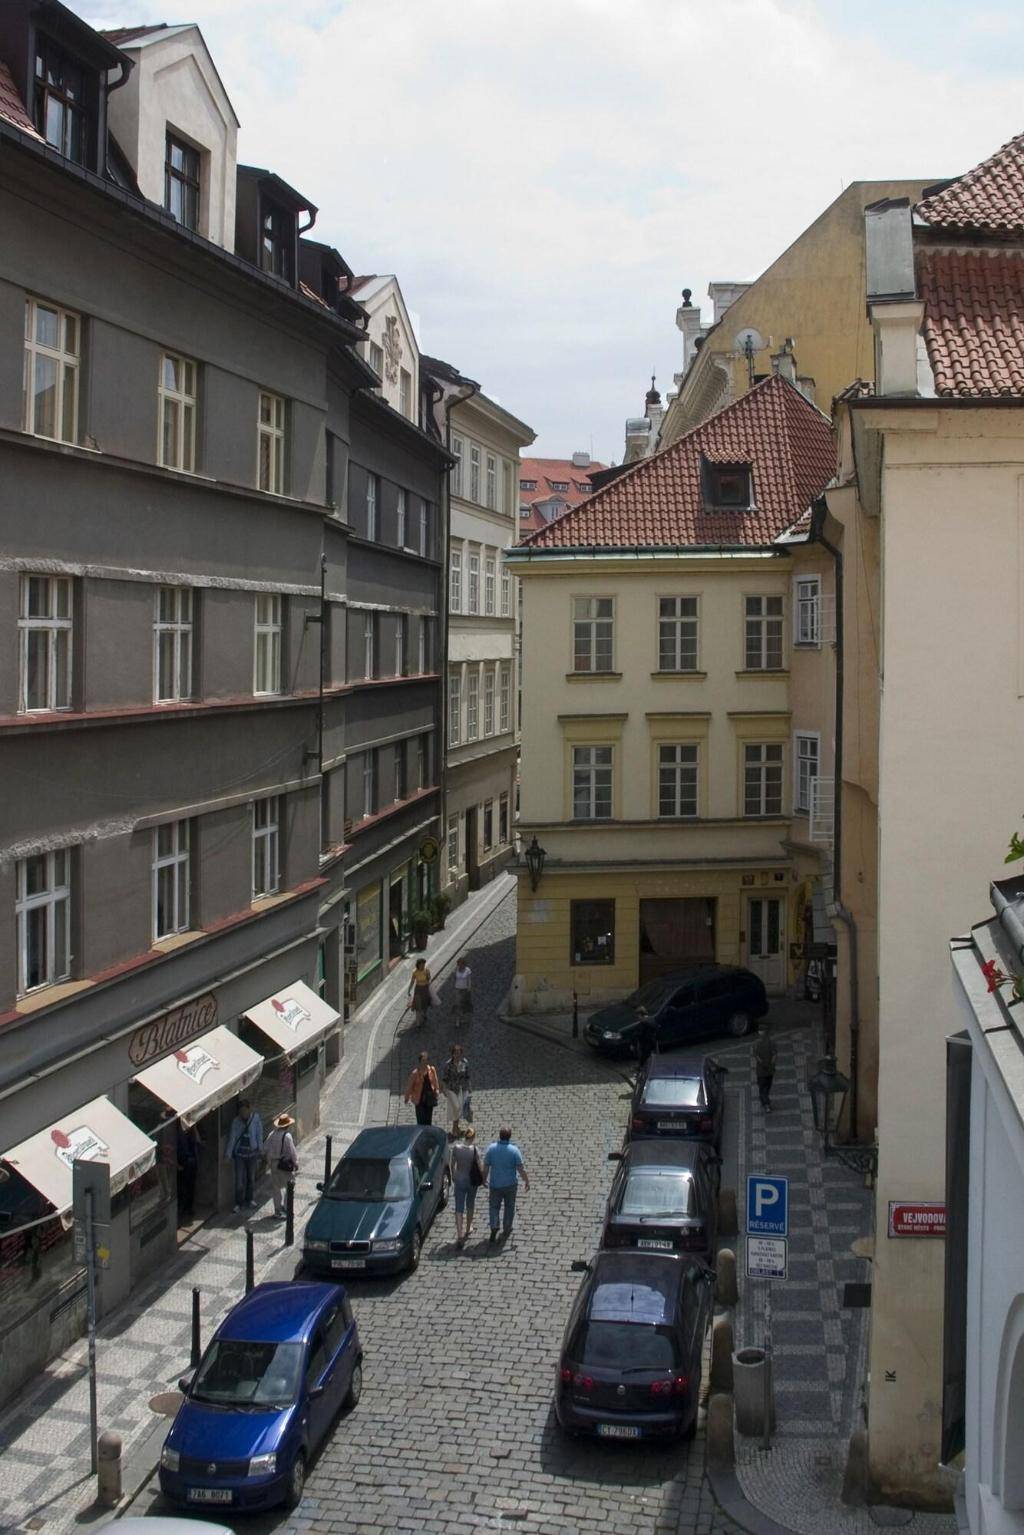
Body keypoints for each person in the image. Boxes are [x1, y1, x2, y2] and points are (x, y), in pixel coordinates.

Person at [483, 1124, 530, 1243]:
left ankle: (494, 1225)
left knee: (494, 1206)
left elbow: (486, 1167)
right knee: (509, 1206)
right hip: (510, 1184)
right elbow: (520, 1169)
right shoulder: (514, 1150)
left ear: (499, 1136)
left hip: (495, 1184)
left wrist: (483, 1179)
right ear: (509, 1137)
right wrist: (526, 1181)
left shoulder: (491, 1149)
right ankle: (507, 1227)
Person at [225, 1098, 264, 1211]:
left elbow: (259, 1134)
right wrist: (228, 1154)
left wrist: (261, 1149)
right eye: (241, 1111)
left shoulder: (255, 1118)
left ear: (249, 1109)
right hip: (240, 1155)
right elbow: (232, 1138)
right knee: (239, 1181)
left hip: (252, 1154)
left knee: (251, 1178)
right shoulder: (236, 1122)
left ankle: (249, 1199)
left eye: (245, 1111)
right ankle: (239, 1203)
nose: (243, 1113)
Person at [449, 1123, 483, 1246]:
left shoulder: (456, 1148)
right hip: (472, 1181)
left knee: (459, 1207)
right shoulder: (475, 1150)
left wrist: (453, 1175)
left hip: (459, 1180)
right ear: (473, 1137)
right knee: (470, 1204)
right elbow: (480, 1166)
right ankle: (468, 1227)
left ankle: (459, 1234)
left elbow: (452, 1164)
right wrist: (483, 1179)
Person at [265, 1112, 298, 1221]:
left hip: (274, 1164)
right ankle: (287, 1208)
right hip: (284, 1164)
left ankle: (277, 1210)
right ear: (288, 1125)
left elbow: (265, 1147)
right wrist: (296, 1163)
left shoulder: (272, 1134)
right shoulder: (287, 1136)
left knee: (276, 1188)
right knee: (290, 1186)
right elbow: (292, 1151)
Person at [403, 1051, 440, 1125]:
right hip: (419, 1099)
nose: (425, 1062)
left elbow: (435, 1081)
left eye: (426, 1060)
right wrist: (406, 1097)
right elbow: (409, 1086)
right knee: (420, 1120)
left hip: (429, 1098)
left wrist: (437, 1090)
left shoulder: (432, 1070)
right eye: (423, 1060)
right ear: (420, 1062)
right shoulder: (415, 1073)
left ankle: (428, 1131)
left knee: (428, 1119)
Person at [441, 1042, 472, 1130]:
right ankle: (455, 1128)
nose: (457, 1055)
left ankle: (456, 1127)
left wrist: (469, 1087)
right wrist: (444, 1089)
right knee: (456, 1108)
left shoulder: (464, 1062)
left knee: (460, 1109)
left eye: (459, 1053)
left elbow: (467, 1076)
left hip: (462, 1089)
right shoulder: (448, 1064)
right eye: (455, 1053)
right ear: (452, 1054)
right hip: (452, 1089)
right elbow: (444, 1078)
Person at [176, 1119, 202, 1222]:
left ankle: (189, 1208)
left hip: (192, 1163)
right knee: (181, 1189)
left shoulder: (192, 1132)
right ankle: (181, 1210)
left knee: (191, 1187)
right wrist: (177, 1165)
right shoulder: (177, 1133)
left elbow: (198, 1142)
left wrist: (194, 1129)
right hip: (182, 1165)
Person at [754, 1024, 778, 1111]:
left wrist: (765, 1064)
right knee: (765, 1087)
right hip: (766, 1070)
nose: (760, 1032)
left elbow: (757, 1056)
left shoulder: (759, 1043)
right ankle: (766, 1103)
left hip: (763, 1070)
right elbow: (774, 1055)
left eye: (761, 1031)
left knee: (764, 1087)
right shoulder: (761, 1043)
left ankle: (765, 1102)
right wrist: (771, 1064)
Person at [408, 957, 433, 1025]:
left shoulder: (427, 970)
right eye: (422, 965)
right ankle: (418, 1023)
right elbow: (412, 981)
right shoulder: (415, 972)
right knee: (418, 1007)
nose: (423, 966)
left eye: (424, 964)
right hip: (418, 990)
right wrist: (409, 989)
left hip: (425, 989)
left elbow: (429, 979)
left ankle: (424, 1014)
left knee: (425, 1004)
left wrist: (428, 977)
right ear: (418, 965)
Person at [453, 956, 473, 1022]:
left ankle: (462, 1017)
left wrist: (469, 987)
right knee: (457, 1004)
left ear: (464, 964)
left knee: (463, 1004)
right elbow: (455, 978)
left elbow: (469, 979)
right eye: (458, 964)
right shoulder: (456, 969)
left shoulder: (467, 970)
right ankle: (458, 1019)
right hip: (457, 989)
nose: (459, 965)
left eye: (461, 964)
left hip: (464, 989)